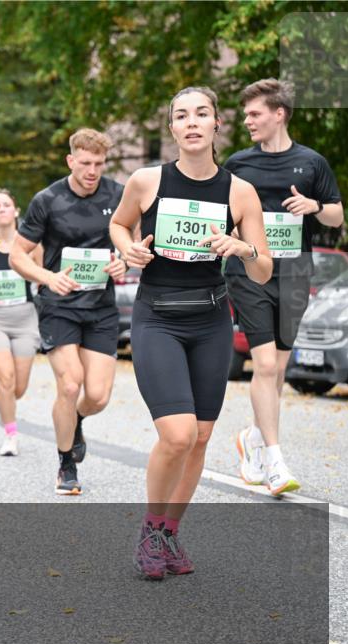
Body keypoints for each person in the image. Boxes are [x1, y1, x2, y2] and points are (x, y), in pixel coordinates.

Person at [110, 86, 272, 580]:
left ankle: (169, 533)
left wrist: (240, 248)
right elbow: (119, 226)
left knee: (200, 437)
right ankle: (149, 529)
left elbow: (263, 269)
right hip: (157, 315)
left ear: (217, 124)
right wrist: (130, 249)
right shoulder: (146, 180)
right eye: (182, 115)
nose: (193, 122)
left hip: (210, 320)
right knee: (177, 434)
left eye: (202, 113)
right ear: (174, 128)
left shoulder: (238, 191)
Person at [223, 79, 345, 496]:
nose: (247, 120)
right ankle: (275, 459)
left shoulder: (311, 163)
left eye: (255, 113)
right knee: (267, 365)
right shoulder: (238, 164)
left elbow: (336, 217)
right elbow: (223, 214)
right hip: (249, 271)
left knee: (277, 369)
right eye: (246, 114)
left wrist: (314, 206)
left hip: (295, 273)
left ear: (279, 114)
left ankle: (252, 438)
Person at [9, 128, 127, 494]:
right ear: (71, 160)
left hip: (101, 307)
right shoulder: (48, 199)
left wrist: (123, 261)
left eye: (99, 163)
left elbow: (130, 239)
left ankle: (74, 419)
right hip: (59, 304)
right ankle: (65, 465)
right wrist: (48, 277)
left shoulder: (117, 194)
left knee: (97, 396)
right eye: (85, 163)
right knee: (70, 381)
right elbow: (16, 255)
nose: (92, 170)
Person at [0, 189, 43, 456]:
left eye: (7, 205)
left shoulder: (32, 246)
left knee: (18, 387)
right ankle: (11, 436)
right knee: (6, 378)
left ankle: (0, 398)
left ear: (16, 211)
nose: (2, 209)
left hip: (25, 319)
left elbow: (44, 275)